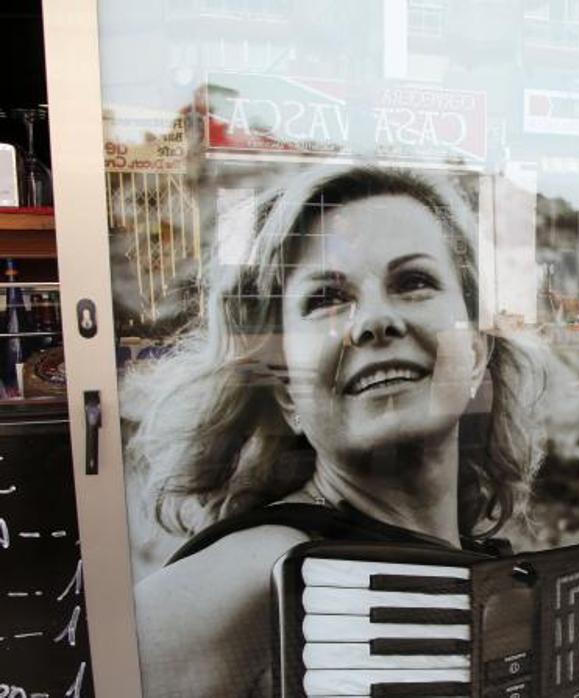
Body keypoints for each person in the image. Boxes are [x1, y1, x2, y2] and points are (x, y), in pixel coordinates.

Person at [120, 165, 545, 696]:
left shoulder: (484, 566)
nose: (374, 320)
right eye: (326, 298)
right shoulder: (266, 569)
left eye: (413, 282)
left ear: (478, 352)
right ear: (285, 392)